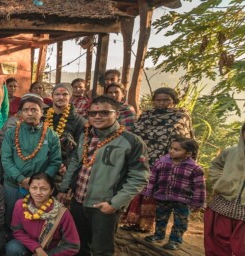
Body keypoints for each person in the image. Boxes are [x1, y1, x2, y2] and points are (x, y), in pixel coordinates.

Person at [59, 95, 149, 255]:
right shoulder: (85, 136)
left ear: (117, 114)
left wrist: (115, 203)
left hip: (104, 206)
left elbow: (139, 177)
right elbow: (74, 162)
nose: (98, 116)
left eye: (105, 113)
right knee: (79, 246)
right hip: (78, 202)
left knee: (102, 250)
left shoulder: (131, 141)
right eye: (93, 113)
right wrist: (64, 188)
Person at [122, 87, 194, 233]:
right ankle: (132, 221)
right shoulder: (147, 114)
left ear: (173, 101)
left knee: (155, 193)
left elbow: (184, 139)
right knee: (138, 188)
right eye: (158, 100)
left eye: (166, 100)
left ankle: (146, 225)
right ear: (153, 101)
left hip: (165, 161)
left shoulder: (181, 116)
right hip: (142, 158)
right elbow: (136, 135)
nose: (162, 103)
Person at [2, 95, 62, 227]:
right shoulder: (11, 133)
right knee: (11, 219)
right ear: (20, 113)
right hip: (13, 185)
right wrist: (21, 179)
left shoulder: (51, 135)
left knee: (36, 222)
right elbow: (6, 159)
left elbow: (55, 161)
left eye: (34, 110)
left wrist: (39, 183)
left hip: (40, 188)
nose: (29, 113)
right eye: (26, 110)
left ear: (41, 112)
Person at [142, 137, 205, 250]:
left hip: (183, 200)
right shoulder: (161, 162)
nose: (171, 151)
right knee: (160, 218)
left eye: (176, 149)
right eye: (171, 148)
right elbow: (152, 178)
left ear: (188, 153)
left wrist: (198, 203)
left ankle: (175, 241)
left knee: (180, 221)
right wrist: (148, 191)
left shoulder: (194, 168)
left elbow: (199, 187)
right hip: (163, 196)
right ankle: (158, 235)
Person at [6, 173, 80, 256]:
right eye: (34, 188)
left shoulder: (62, 213)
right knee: (13, 247)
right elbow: (17, 231)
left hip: (51, 252)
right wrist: (37, 248)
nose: (38, 192)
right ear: (29, 189)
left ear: (51, 191)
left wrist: (47, 254)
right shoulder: (20, 205)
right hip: (27, 247)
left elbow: (73, 246)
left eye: (43, 189)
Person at [205, 123, 245, 256]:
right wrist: (219, 181)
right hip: (223, 203)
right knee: (218, 239)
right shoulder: (231, 152)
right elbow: (215, 165)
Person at [44, 84, 86, 183]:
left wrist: (66, 166)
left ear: (70, 97)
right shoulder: (41, 115)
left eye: (65, 94)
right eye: (57, 94)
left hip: (64, 170)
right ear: (52, 96)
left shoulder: (79, 121)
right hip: (41, 165)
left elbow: (79, 149)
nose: (61, 97)